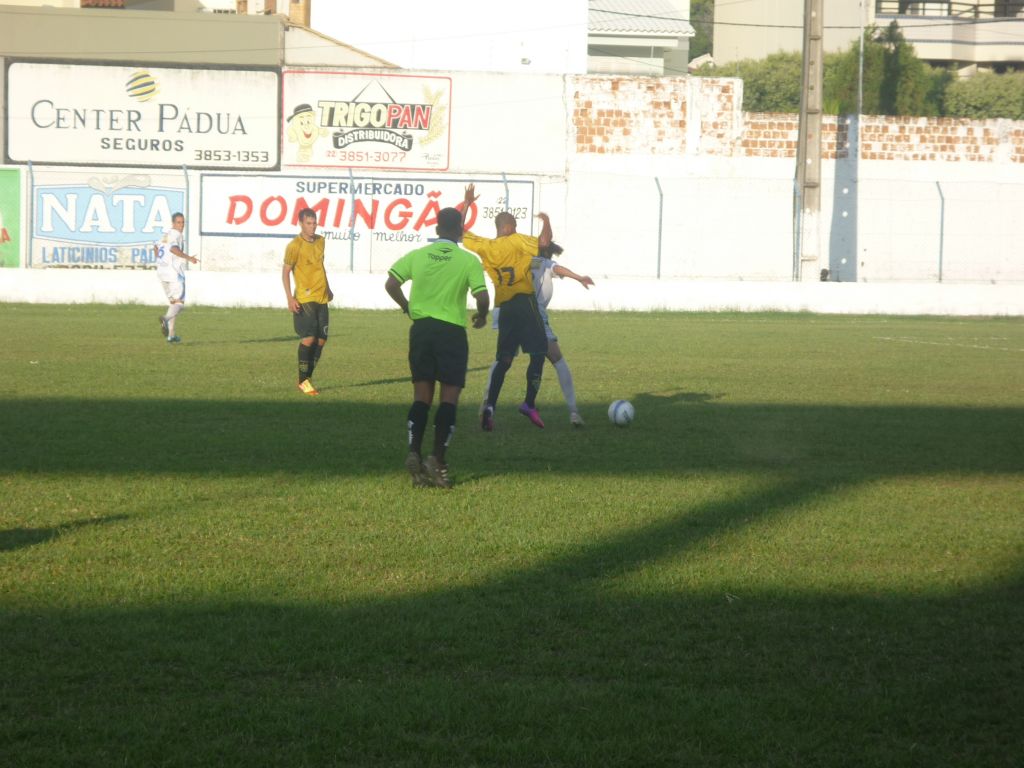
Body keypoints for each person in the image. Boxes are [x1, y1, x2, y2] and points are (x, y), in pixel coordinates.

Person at [385, 206, 490, 489]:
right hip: (451, 333)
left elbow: (391, 283)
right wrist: (482, 315)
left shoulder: (417, 256)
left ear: (436, 229)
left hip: (421, 331)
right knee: (448, 399)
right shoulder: (468, 261)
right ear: (460, 231)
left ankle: (414, 452)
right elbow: (482, 296)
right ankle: (438, 459)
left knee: (421, 397)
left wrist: (407, 306)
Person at [460, 183, 551, 431]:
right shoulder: (516, 240)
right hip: (524, 302)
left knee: (505, 359)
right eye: (515, 225)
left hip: (504, 308)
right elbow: (544, 241)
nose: (516, 228)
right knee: (539, 352)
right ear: (509, 227)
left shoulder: (485, 247)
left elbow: (458, 231)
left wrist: (467, 203)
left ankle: (490, 406)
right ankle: (529, 404)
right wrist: (546, 220)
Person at [481, 241, 595, 426]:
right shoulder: (545, 263)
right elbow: (559, 269)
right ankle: (573, 412)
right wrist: (579, 277)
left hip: (510, 312)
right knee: (557, 360)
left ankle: (487, 404)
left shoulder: (522, 260)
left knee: (503, 359)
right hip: (534, 315)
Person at [282, 208, 334, 396]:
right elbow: (286, 272)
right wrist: (290, 297)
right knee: (309, 338)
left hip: (322, 297)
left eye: (314, 223)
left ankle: (307, 379)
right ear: (301, 224)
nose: (312, 227)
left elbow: (321, 266)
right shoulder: (294, 245)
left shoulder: (321, 241)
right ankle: (303, 382)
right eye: (308, 223)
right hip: (304, 297)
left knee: (321, 340)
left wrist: (328, 288)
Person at [155, 212, 198, 344]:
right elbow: (174, 249)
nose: (181, 225)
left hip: (162, 273)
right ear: (173, 223)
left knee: (173, 303)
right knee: (180, 304)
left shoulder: (166, 235)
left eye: (183, 222)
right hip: (173, 274)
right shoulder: (176, 235)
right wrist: (189, 258)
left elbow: (156, 247)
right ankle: (166, 319)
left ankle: (171, 335)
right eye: (178, 223)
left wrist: (160, 261)